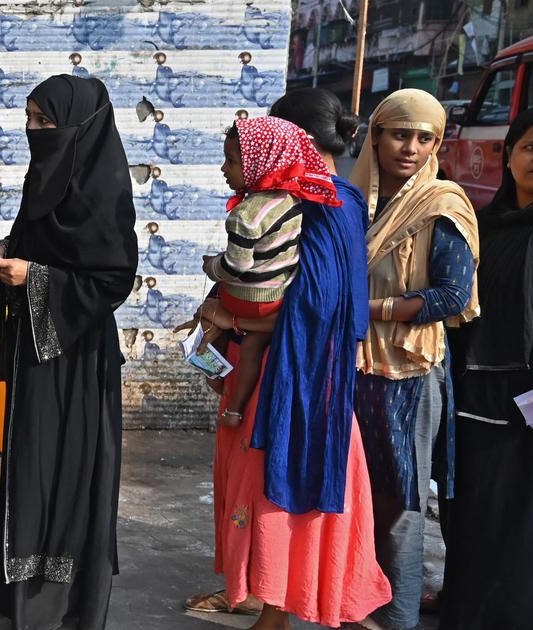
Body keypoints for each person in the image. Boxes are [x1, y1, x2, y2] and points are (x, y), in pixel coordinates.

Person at [184, 87, 392, 629]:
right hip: (286, 368)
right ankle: (259, 596)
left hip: (294, 378)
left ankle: (274, 611)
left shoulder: (321, 204)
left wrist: (234, 322)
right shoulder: (319, 197)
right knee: (260, 491)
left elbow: (318, 307)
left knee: (275, 492)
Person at [0, 74, 137, 630]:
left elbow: (112, 278)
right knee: (29, 462)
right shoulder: (43, 179)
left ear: (79, 127)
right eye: (29, 119)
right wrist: (8, 255)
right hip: (35, 350)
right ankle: (22, 596)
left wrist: (33, 276)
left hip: (78, 356)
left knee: (67, 470)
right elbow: (39, 246)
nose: (33, 131)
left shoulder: (104, 193)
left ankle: (62, 603)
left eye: (44, 121)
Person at [441, 105, 533, 630]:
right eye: (531, 146)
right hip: (479, 401)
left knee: (530, 520)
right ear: (510, 156)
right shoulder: (486, 224)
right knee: (476, 513)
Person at [348, 88, 480, 630]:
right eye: (400, 134)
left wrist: (367, 309)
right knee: (355, 492)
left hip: (408, 370)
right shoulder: (351, 201)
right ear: (376, 136)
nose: (411, 148)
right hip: (351, 365)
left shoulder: (442, 204)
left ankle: (397, 615)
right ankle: (354, 602)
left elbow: (453, 295)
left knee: (401, 499)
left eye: (425, 138)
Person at [201, 116, 341, 427]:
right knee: (252, 346)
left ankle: (212, 374)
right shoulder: (292, 200)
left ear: (259, 163)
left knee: (207, 318)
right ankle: (235, 410)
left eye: (231, 161)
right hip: (276, 299)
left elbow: (236, 266)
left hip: (245, 300)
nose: (224, 169)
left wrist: (211, 266)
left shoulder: (245, 215)